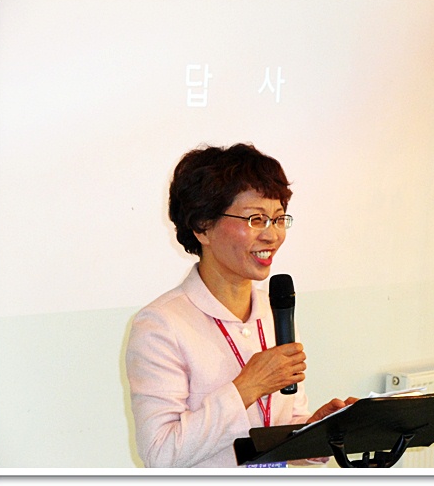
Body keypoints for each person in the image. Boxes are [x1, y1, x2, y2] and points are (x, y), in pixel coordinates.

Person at [125, 143, 356, 468]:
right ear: (203, 226)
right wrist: (247, 387)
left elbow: (280, 429)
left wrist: (316, 432)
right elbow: (160, 455)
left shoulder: (275, 312)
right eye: (256, 219)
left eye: (278, 219)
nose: (272, 236)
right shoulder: (160, 325)